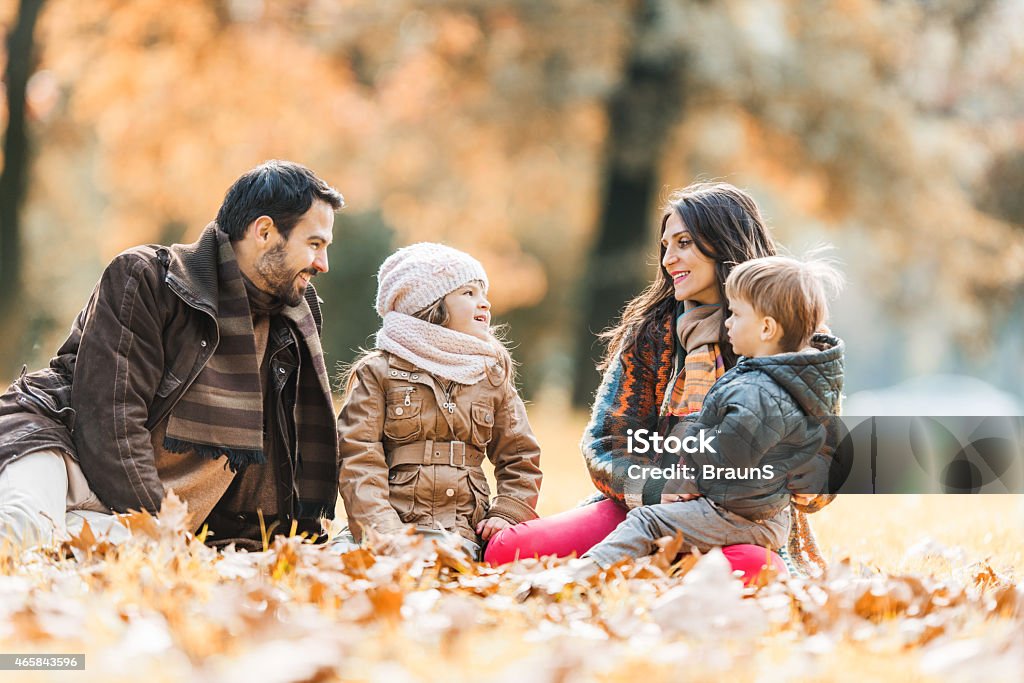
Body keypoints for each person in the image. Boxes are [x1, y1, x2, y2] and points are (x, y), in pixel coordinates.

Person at [485, 182, 836, 580]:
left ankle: (655, 571)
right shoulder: (651, 336)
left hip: (741, 524)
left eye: (684, 243)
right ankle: (646, 564)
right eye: (666, 245)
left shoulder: (785, 340)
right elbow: (605, 443)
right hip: (641, 511)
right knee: (506, 551)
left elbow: (820, 468)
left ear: (724, 241)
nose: (670, 259)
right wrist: (659, 487)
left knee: (757, 571)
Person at [0, 160, 345, 550]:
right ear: (264, 231)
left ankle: (80, 531)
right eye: (314, 244)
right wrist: (163, 532)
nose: (323, 264)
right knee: (20, 530)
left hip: (146, 514)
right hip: (65, 453)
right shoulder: (147, 278)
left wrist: (297, 543)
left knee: (99, 551)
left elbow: (284, 457)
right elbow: (109, 420)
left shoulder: (292, 319)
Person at [579, 255, 844, 570]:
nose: (728, 322)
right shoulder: (792, 377)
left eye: (735, 314)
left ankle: (583, 574)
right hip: (760, 513)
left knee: (647, 522)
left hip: (737, 515)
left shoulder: (758, 389)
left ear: (767, 328)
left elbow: (730, 455)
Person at [335, 243, 542, 559]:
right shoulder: (379, 372)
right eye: (468, 293)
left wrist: (507, 512)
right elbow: (359, 457)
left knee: (437, 565)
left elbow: (520, 455)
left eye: (483, 293)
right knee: (339, 565)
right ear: (429, 305)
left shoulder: (490, 375)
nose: (484, 303)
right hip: (387, 524)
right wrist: (384, 533)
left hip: (458, 528)